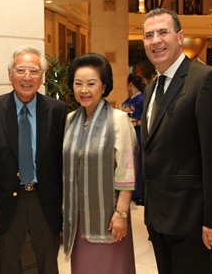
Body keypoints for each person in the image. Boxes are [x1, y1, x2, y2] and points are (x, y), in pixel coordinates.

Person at [140, 8, 212, 274]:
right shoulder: (151, 88)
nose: (156, 40)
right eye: (149, 35)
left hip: (193, 222)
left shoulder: (205, 80)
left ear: (180, 36)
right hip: (159, 218)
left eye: (163, 32)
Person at [0, 45, 67, 274]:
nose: (27, 77)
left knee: (48, 264)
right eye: (20, 70)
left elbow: (62, 162)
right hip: (7, 202)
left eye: (34, 71)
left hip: (44, 200)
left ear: (42, 76)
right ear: (10, 75)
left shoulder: (57, 110)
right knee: (8, 264)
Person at [63, 53, 137, 274]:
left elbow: (126, 170)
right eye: (78, 84)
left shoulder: (118, 120)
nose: (84, 90)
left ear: (104, 86)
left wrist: (121, 214)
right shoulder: (69, 120)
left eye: (91, 84)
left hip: (109, 216)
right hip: (78, 217)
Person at [122, 73, 146, 204]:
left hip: (138, 131)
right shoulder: (130, 99)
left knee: (138, 161)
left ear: (131, 84)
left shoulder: (141, 99)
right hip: (129, 131)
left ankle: (139, 192)